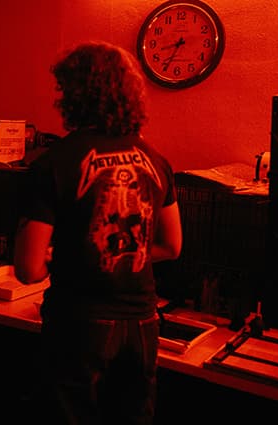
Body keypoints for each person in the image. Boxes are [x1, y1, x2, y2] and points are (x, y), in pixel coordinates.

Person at [14, 41, 182, 425]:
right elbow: (171, 246)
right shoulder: (156, 160)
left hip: (80, 323)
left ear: (72, 94)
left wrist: (69, 255)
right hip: (143, 323)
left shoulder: (54, 163)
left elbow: (27, 270)